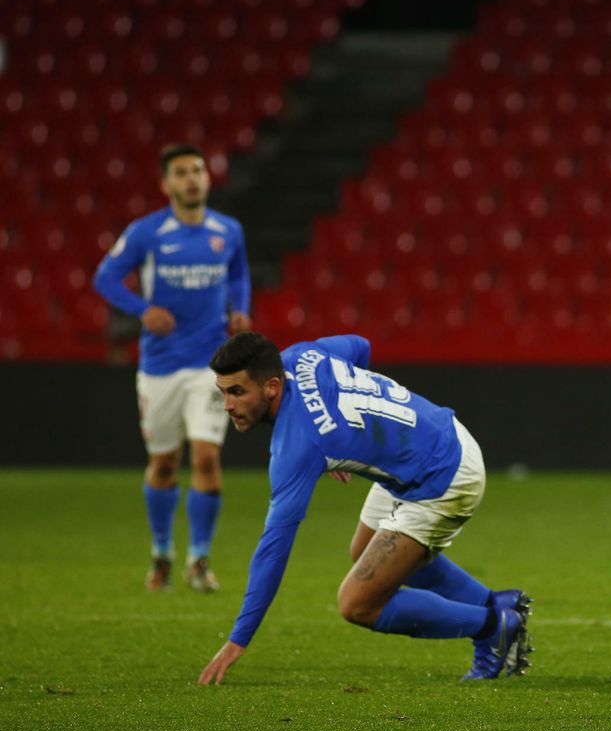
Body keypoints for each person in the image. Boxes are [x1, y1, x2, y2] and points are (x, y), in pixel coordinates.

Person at [196, 332, 529, 685]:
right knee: (363, 551)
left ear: (272, 386)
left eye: (236, 392)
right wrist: (345, 432)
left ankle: (494, 626)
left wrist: (239, 639)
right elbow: (360, 346)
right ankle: (496, 602)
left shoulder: (297, 446)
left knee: (357, 603)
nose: (227, 405)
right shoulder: (302, 355)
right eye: (222, 392)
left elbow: (273, 549)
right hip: (437, 435)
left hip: (442, 476)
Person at [94, 144, 251, 593]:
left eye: (198, 170)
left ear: (208, 177)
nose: (192, 178)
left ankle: (199, 560)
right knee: (163, 464)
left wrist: (239, 309)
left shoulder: (228, 230)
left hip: (212, 364)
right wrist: (142, 310)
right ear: (166, 185)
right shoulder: (146, 233)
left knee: (205, 457)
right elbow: (105, 277)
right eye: (182, 173)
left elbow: (238, 274)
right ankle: (162, 551)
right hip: (160, 366)